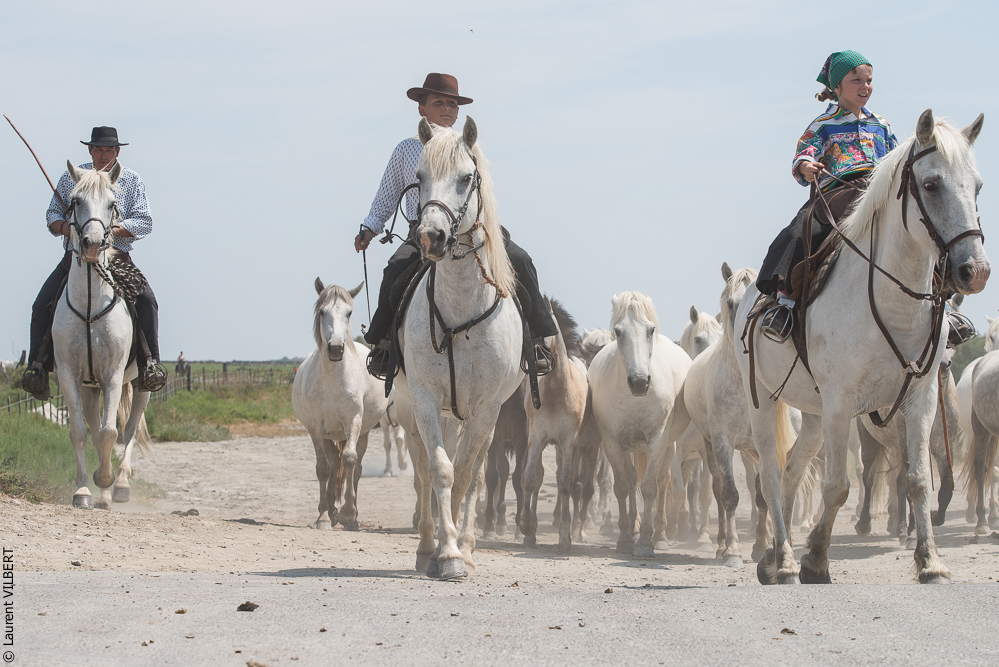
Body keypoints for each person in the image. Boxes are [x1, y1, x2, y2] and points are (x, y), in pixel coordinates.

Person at [355, 73, 558, 377]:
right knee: (396, 267)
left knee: (521, 259)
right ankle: (383, 344)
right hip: (425, 231)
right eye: (439, 102)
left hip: (474, 229)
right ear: (422, 109)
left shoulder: (469, 146)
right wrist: (369, 228)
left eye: (452, 104)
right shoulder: (406, 150)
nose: (448, 108)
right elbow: (387, 196)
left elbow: (485, 193)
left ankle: (538, 339)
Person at [757, 51, 897, 340]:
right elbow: (803, 155)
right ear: (836, 86)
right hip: (839, 194)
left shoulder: (881, 124)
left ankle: (944, 303)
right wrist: (807, 167)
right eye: (856, 79)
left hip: (880, 193)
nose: (865, 86)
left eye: (869, 80)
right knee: (800, 232)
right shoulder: (822, 124)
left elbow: (896, 158)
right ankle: (785, 302)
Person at [21, 126, 166, 399]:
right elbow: (52, 215)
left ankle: (150, 364)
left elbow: (145, 221)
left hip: (116, 258)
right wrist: (68, 228)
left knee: (147, 300)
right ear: (90, 150)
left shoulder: (132, 180)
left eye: (108, 149)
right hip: (75, 259)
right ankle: (37, 367)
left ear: (117, 151)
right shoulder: (72, 178)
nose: (103, 154)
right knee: (41, 304)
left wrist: (112, 229)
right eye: (98, 149)